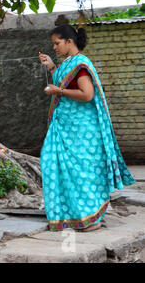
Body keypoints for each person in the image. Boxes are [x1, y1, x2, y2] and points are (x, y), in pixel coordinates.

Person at [39, 24, 135, 232]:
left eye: (57, 43)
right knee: (54, 164)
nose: (54, 47)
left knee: (80, 171)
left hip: (81, 130)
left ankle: (89, 219)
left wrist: (58, 91)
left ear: (69, 42)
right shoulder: (68, 63)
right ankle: (73, 214)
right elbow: (65, 82)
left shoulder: (81, 64)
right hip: (65, 126)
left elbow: (86, 95)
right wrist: (51, 67)